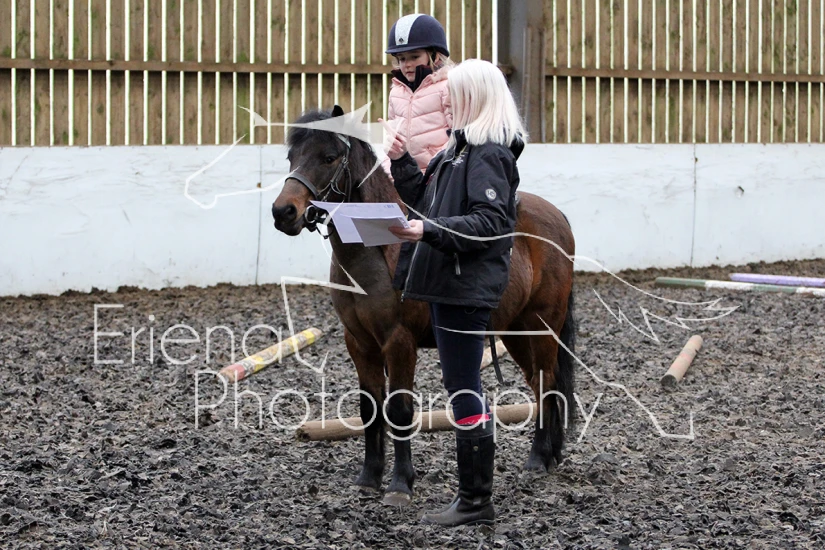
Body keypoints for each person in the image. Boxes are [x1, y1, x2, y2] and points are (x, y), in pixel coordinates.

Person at [386, 59, 527, 527]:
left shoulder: (488, 153)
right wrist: (402, 161)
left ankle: (475, 501)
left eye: (455, 93)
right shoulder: (459, 148)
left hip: (466, 284)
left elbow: (489, 223)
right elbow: (427, 202)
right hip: (448, 281)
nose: (447, 99)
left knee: (465, 388)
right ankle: (473, 498)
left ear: (475, 96)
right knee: (460, 386)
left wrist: (427, 230)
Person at [380, 13, 454, 175]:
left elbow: (457, 138)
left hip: (438, 176)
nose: (407, 64)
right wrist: (387, 173)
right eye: (401, 59)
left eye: (414, 57)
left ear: (435, 56)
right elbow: (392, 142)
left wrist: (436, 171)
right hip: (405, 178)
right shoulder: (396, 93)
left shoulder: (448, 87)